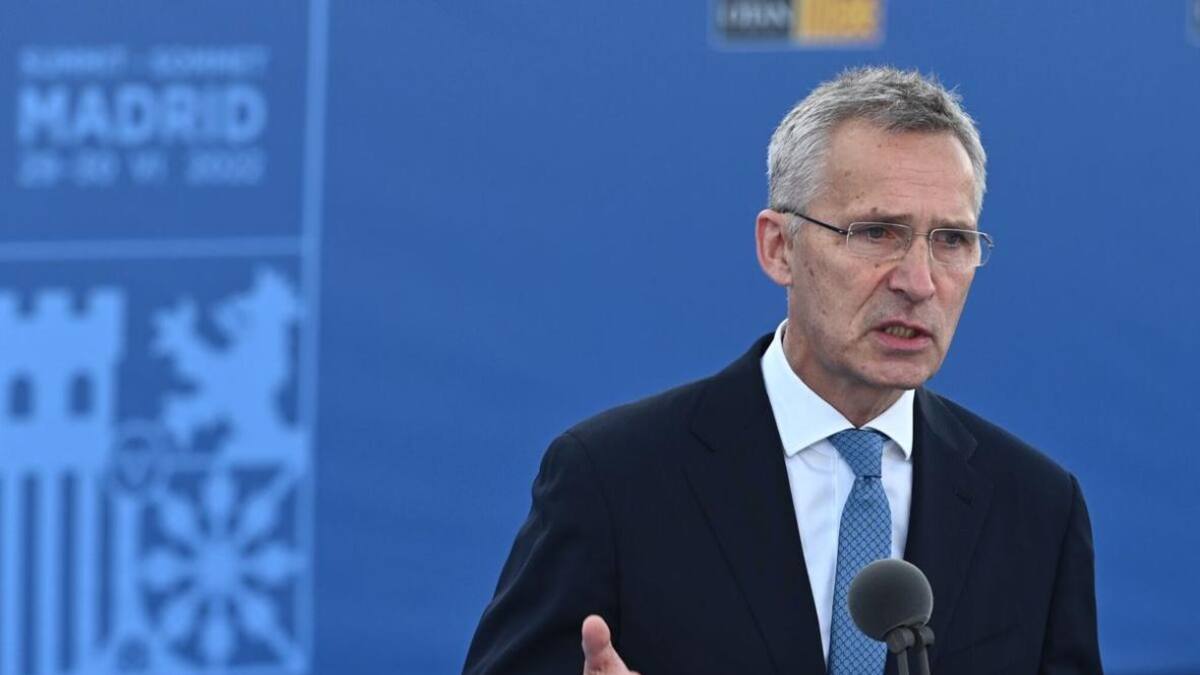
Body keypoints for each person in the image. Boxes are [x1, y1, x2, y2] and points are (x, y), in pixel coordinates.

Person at [463, 66, 1102, 675]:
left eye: (952, 240)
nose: (918, 281)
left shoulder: (1037, 509)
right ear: (779, 248)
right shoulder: (612, 480)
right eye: (876, 232)